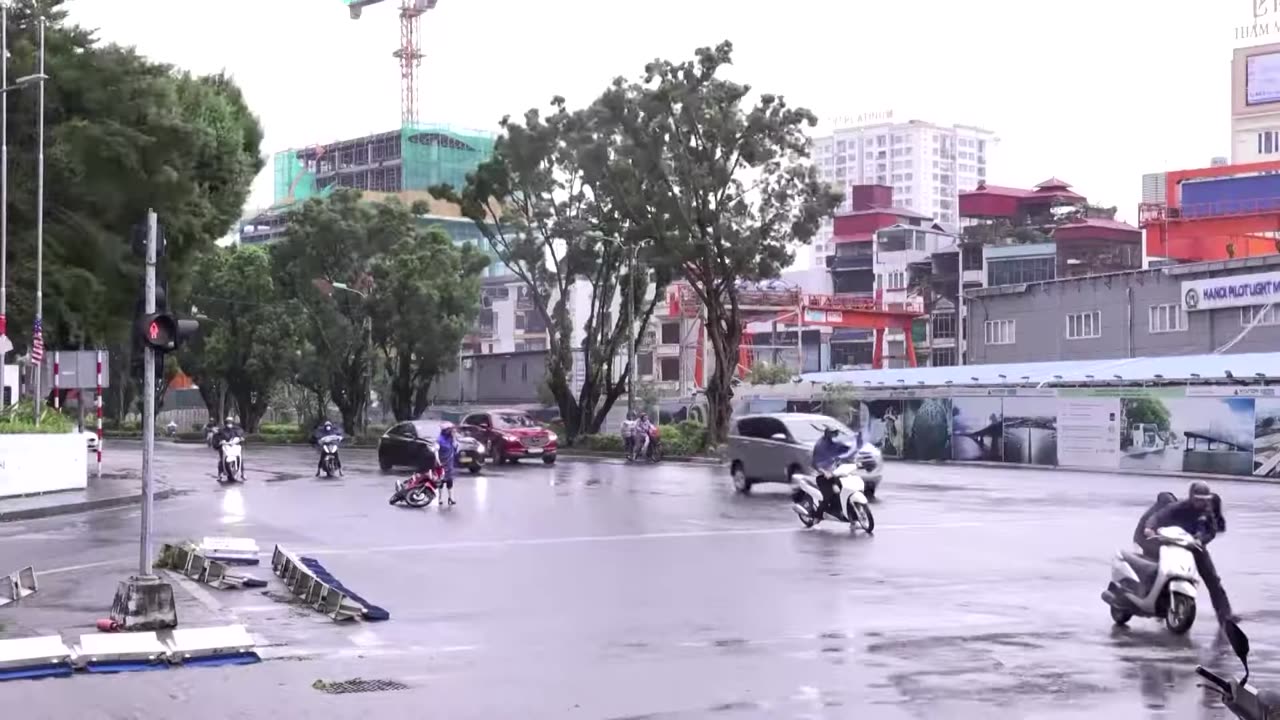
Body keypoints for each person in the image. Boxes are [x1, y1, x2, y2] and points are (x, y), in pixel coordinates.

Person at [1141, 481, 1236, 624]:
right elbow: (1157, 517)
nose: (1201, 503)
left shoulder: (1207, 511)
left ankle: (1225, 616)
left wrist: (1201, 540)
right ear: (1191, 497)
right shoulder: (1177, 507)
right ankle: (1152, 602)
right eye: (1198, 499)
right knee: (1158, 572)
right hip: (1173, 544)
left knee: (1213, 580)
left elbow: (1212, 531)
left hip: (1195, 546)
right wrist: (1149, 528)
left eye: (1204, 500)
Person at [811, 425, 857, 515]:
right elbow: (815, 463)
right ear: (828, 434)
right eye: (833, 434)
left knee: (846, 491)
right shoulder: (820, 445)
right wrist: (824, 472)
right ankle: (817, 516)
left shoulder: (834, 443)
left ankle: (850, 517)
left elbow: (846, 450)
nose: (835, 436)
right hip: (822, 476)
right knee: (828, 496)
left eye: (835, 434)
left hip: (835, 474)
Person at [436, 423, 458, 506]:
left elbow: (455, 447)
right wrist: (438, 460)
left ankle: (450, 498)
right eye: (449, 430)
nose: (451, 431)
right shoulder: (440, 439)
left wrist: (454, 437)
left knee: (449, 480)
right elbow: (436, 450)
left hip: (449, 463)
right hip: (441, 462)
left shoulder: (451, 439)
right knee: (441, 481)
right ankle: (440, 498)